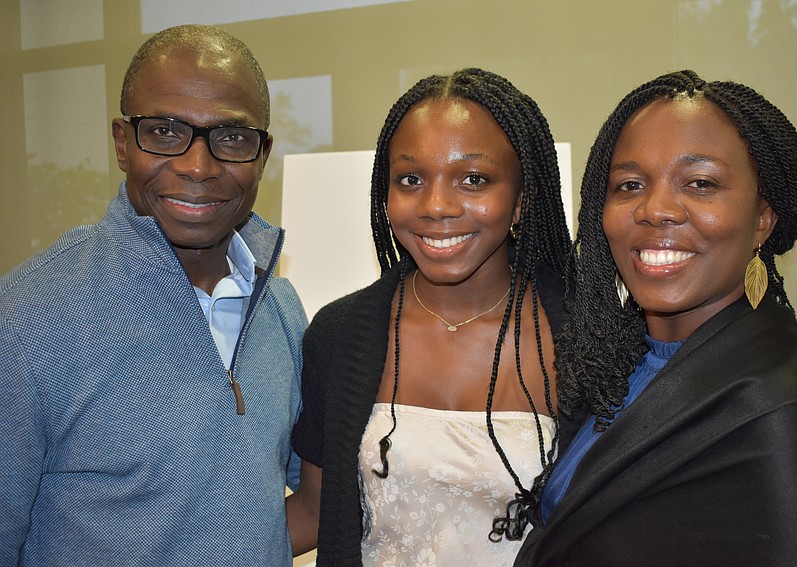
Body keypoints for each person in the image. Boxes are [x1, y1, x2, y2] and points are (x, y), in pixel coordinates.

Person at [514, 70, 797, 567]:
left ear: (764, 218)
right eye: (629, 185)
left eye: (700, 182)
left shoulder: (780, 411)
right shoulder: (614, 363)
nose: (656, 209)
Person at [0, 25, 307, 566]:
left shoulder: (280, 309)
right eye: (165, 132)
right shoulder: (28, 318)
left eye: (232, 137)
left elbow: (276, 507)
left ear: (262, 154)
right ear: (123, 143)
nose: (198, 166)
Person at [286, 68, 572, 565]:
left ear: (522, 199)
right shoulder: (338, 336)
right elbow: (313, 511)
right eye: (411, 179)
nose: (436, 205)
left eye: (474, 179)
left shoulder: (588, 337)